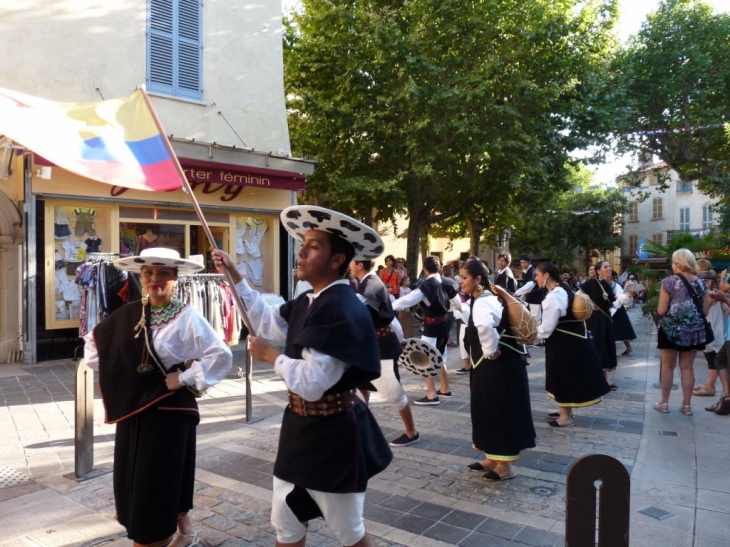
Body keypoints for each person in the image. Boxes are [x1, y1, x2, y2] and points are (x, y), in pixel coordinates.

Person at [213, 205, 392, 547]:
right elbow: (266, 322)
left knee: (349, 532)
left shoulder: (341, 307)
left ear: (337, 259)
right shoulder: (310, 300)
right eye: (303, 243)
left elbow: (312, 383)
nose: (301, 251)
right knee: (287, 522)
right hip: (299, 431)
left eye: (313, 246)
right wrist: (235, 275)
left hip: (334, 436)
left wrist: (272, 356)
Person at [84, 248, 233, 547]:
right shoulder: (127, 314)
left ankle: (153, 537)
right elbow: (94, 348)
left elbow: (221, 356)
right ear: (141, 276)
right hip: (134, 409)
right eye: (149, 273)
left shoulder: (187, 317)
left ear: (176, 278)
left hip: (169, 414)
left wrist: (185, 378)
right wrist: (127, 374)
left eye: (164, 273)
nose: (155, 279)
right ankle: (185, 532)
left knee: (157, 482)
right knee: (136, 476)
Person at [459, 259, 535, 481]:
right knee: (487, 410)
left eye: (464, 278)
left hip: (496, 366)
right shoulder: (482, 298)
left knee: (499, 410)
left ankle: (505, 466)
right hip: (488, 365)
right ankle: (492, 457)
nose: (461, 282)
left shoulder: (484, 301)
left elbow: (484, 326)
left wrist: (490, 351)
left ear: (478, 279)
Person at [350, 258, 420, 447]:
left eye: (351, 261)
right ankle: (358, 428)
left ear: (360, 265)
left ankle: (411, 432)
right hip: (370, 345)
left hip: (382, 346)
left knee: (393, 392)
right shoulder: (367, 282)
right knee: (360, 386)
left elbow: (355, 305)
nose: (348, 265)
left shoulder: (371, 283)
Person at [535, 262, 610, 427]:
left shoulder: (554, 296)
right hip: (571, 340)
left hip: (563, 342)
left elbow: (546, 329)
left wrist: (529, 333)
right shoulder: (564, 289)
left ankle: (566, 417)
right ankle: (565, 410)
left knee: (563, 378)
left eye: (538, 275)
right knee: (564, 377)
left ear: (546, 275)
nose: (536, 278)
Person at [392, 255, 462, 405]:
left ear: (424, 269)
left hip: (433, 326)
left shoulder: (428, 285)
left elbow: (410, 299)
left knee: (425, 359)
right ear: (440, 268)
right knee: (440, 356)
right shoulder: (449, 283)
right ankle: (445, 388)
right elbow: (457, 302)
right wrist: (459, 311)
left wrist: (390, 306)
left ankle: (432, 395)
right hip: (444, 323)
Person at [654, 248, 710, 415]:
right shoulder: (700, 283)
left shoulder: (669, 282)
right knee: (687, 367)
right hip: (694, 331)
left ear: (677, 263)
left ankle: (664, 403)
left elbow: (661, 310)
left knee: (668, 366)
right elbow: (705, 311)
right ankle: (687, 406)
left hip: (670, 330)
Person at [579, 261, 618, 389]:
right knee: (596, 346)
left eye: (609, 266)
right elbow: (578, 299)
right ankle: (593, 377)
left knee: (606, 345)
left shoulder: (609, 285)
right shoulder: (590, 284)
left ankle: (604, 378)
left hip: (605, 319)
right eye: (605, 267)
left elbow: (613, 303)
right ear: (598, 271)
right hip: (593, 320)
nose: (609, 268)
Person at [693, 270, 728, 398]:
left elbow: (706, 309)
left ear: (709, 282)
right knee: (710, 358)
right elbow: (725, 309)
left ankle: (711, 387)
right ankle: (709, 385)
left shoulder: (711, 294)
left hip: (712, 331)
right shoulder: (715, 294)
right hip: (713, 330)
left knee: (714, 360)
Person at [600, 265, 637, 356]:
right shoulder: (599, 285)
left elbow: (621, 298)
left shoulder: (615, 286)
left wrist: (615, 305)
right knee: (614, 330)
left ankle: (626, 347)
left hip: (617, 309)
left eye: (610, 275)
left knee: (620, 330)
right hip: (608, 310)